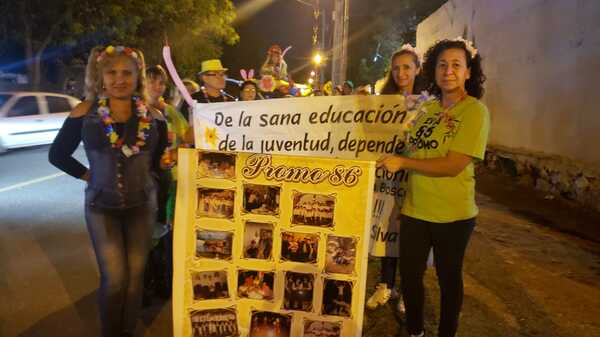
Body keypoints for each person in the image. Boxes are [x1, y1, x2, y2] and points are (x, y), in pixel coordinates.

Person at [48, 45, 168, 337]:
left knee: (136, 279)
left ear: (137, 76)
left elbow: (158, 166)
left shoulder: (154, 117)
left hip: (143, 207)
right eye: (111, 72)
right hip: (102, 207)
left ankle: (127, 331)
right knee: (115, 280)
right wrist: (90, 175)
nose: (119, 79)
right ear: (100, 76)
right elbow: (58, 154)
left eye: (127, 72)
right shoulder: (85, 112)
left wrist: (163, 213)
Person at [377, 37, 489, 337]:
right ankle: (415, 331)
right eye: (442, 64)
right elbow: (409, 150)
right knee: (410, 276)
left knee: (448, 278)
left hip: (453, 215)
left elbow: (453, 165)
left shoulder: (475, 112)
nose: (448, 71)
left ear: (468, 72)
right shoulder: (426, 109)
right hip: (415, 210)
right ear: (433, 70)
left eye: (456, 65)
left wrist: (404, 163)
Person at [367, 44, 425, 311]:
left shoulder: (428, 104)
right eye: (396, 68)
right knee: (386, 230)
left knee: (411, 234)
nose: (401, 73)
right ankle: (385, 284)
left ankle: (408, 288)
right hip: (387, 180)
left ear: (417, 69)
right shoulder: (383, 102)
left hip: (415, 178)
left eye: (407, 67)